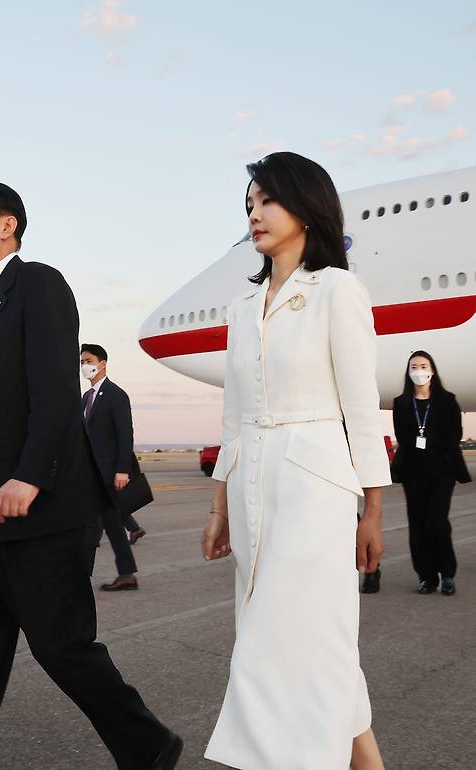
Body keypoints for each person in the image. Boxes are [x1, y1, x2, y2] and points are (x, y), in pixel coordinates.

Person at [0, 179, 182, 770]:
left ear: (8, 225)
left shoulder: (36, 283)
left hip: (40, 515)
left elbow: (54, 393)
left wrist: (32, 475)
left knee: (63, 649)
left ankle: (148, 745)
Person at [201, 152, 391, 770]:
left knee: (277, 645)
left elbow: (361, 408)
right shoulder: (239, 309)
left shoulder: (337, 288)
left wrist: (373, 512)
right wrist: (219, 504)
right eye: (249, 204)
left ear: (307, 208)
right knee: (318, 651)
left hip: (316, 482)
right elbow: (233, 417)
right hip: (253, 482)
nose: (255, 214)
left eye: (268, 200)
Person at [391, 351, 471, 595]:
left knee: (436, 522)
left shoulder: (447, 400)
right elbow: (403, 437)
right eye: (413, 366)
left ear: (432, 370)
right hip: (414, 472)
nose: (418, 370)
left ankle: (446, 574)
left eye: (423, 365)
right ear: (408, 371)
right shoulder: (401, 403)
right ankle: (426, 577)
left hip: (442, 471)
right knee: (417, 525)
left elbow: (454, 435)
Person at [81, 343, 144, 590]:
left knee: (92, 524)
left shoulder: (116, 394)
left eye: (88, 361)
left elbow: (124, 435)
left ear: (103, 363)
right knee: (113, 525)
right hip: (91, 474)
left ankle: (81, 576)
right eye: (82, 362)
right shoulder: (86, 397)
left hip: (108, 474)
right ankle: (127, 574)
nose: (84, 366)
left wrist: (122, 470)